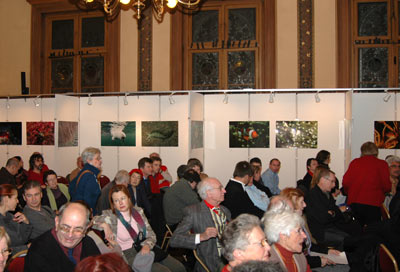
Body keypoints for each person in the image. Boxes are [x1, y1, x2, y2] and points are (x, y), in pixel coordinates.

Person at [92, 185, 185, 272]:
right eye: (116, 200)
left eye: (123, 198)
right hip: (127, 254)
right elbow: (88, 222)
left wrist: (146, 245)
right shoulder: (110, 216)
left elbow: (151, 235)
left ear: (129, 198)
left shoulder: (138, 211)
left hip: (144, 246)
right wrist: (105, 225)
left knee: (179, 268)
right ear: (113, 203)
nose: (120, 203)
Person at [170, 177, 231, 272]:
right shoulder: (194, 212)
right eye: (220, 188)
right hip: (213, 261)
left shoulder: (225, 211)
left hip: (232, 256)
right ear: (209, 193)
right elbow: (174, 240)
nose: (224, 190)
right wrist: (202, 236)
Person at [281, 188, 348, 270]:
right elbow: (299, 258)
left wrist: (327, 251)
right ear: (292, 206)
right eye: (302, 202)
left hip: (310, 258)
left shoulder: (301, 220)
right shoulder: (289, 229)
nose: (305, 205)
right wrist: (319, 261)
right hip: (307, 262)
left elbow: (309, 246)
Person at [24, 202, 101, 272]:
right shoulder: (38, 251)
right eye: (65, 228)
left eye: (78, 230)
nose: (70, 235)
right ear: (57, 222)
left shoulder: (88, 243)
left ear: (86, 229)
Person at [306, 167, 361, 251]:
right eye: (332, 181)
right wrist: (335, 212)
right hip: (321, 232)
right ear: (322, 180)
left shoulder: (326, 194)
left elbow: (334, 212)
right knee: (347, 239)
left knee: (356, 230)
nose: (334, 185)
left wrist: (332, 213)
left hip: (330, 226)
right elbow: (323, 218)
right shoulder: (313, 195)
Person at [343, 141, 391, 226]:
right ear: (376, 151)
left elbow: (346, 182)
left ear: (362, 151)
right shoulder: (382, 164)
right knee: (372, 230)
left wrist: (349, 193)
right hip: (373, 203)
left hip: (355, 201)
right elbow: (386, 186)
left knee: (356, 228)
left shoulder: (355, 162)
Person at [263, 207, 312, 272]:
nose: (305, 236)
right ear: (283, 235)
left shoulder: (299, 256)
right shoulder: (269, 263)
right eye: (298, 231)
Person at [69, 147, 102, 215]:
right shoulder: (89, 176)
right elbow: (88, 201)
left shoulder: (84, 172)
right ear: (89, 160)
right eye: (97, 158)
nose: (100, 161)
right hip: (84, 214)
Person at [0, 184, 32, 254]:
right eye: (15, 198)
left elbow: (22, 240)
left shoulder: (11, 216)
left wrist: (26, 223)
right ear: (6, 199)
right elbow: (4, 251)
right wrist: (26, 248)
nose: (17, 201)